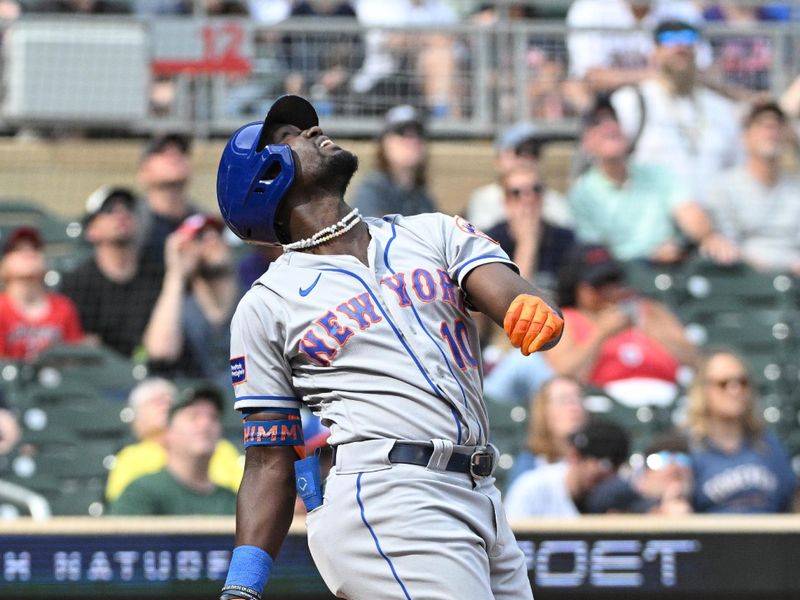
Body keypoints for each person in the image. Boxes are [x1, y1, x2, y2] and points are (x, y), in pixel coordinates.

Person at [215, 94, 564, 600]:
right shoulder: (267, 303)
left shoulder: (431, 232)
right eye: (290, 136)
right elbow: (270, 458)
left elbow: (505, 291)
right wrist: (242, 587)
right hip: (387, 497)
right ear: (264, 177)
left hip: (480, 495)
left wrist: (526, 307)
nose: (313, 132)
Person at [569, 95, 738, 264]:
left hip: (674, 267)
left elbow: (687, 210)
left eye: (614, 119)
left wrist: (708, 237)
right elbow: (595, 253)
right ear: (586, 142)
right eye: (596, 122)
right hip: (620, 277)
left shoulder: (658, 174)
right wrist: (648, 256)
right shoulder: (583, 194)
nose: (608, 125)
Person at [545, 244, 697, 407]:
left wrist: (649, 327)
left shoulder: (649, 310)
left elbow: (694, 359)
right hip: (603, 403)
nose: (608, 290)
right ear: (577, 287)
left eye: (612, 281)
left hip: (668, 398)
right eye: (597, 285)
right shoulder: (566, 319)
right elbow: (564, 376)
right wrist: (601, 334)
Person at [610, 19, 743, 204]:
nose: (680, 46)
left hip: (713, 222)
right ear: (655, 51)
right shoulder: (630, 101)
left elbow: (737, 169)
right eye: (669, 39)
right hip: (653, 222)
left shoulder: (720, 107)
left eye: (689, 39)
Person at [686, 349, 796, 513]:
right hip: (714, 537)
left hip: (768, 537)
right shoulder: (688, 449)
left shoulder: (769, 445)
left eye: (742, 382)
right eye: (723, 383)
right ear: (703, 391)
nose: (735, 390)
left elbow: (792, 503)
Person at [59, 186, 164, 358]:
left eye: (128, 209)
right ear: (91, 230)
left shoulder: (157, 275)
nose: (121, 214)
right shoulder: (77, 282)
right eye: (109, 210)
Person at [143, 213, 242, 390]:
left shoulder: (255, 298)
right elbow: (161, 353)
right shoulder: (177, 308)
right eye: (200, 237)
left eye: (218, 233)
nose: (212, 239)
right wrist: (176, 274)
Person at [105, 378, 243, 503]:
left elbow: (242, 495)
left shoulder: (221, 449)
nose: (165, 406)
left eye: (170, 400)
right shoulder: (131, 457)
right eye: (156, 401)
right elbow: (124, 508)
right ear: (137, 420)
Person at [705, 101, 800, 273]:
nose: (771, 132)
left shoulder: (796, 188)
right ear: (745, 137)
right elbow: (725, 245)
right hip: (745, 282)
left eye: (777, 126)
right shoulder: (724, 188)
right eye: (762, 125)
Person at [504, 417, 630, 518]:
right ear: (575, 456)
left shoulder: (616, 496)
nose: (606, 480)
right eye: (599, 475)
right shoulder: (533, 487)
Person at [464, 122, 572, 231]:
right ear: (499, 159)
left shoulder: (555, 200)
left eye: (534, 152)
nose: (527, 159)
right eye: (520, 151)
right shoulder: (485, 199)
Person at [0, 226, 83, 361]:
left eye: (34, 248)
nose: (28, 253)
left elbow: (74, 359)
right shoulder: (1, 309)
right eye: (18, 249)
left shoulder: (63, 307)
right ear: (4, 263)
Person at [485, 164, 575, 288]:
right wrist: (527, 244)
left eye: (536, 189)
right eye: (516, 192)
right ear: (506, 202)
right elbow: (516, 299)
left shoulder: (566, 239)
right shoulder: (489, 243)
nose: (528, 198)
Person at [349, 104, 439, 218]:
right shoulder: (373, 189)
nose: (412, 139)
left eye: (418, 132)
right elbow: (374, 230)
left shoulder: (422, 196)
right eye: (401, 132)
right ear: (384, 143)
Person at [586, 429, 694, 515]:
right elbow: (599, 503)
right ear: (647, 471)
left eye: (682, 459)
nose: (674, 468)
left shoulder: (700, 499)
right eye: (663, 459)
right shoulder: (621, 493)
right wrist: (655, 510)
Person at [507, 375, 588, 485]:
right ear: (543, 412)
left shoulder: (593, 460)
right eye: (564, 400)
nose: (574, 407)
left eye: (578, 399)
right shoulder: (528, 466)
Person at [137, 133, 197, 265]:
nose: (175, 155)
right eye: (162, 151)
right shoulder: (130, 221)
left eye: (181, 151)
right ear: (144, 171)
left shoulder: (204, 222)